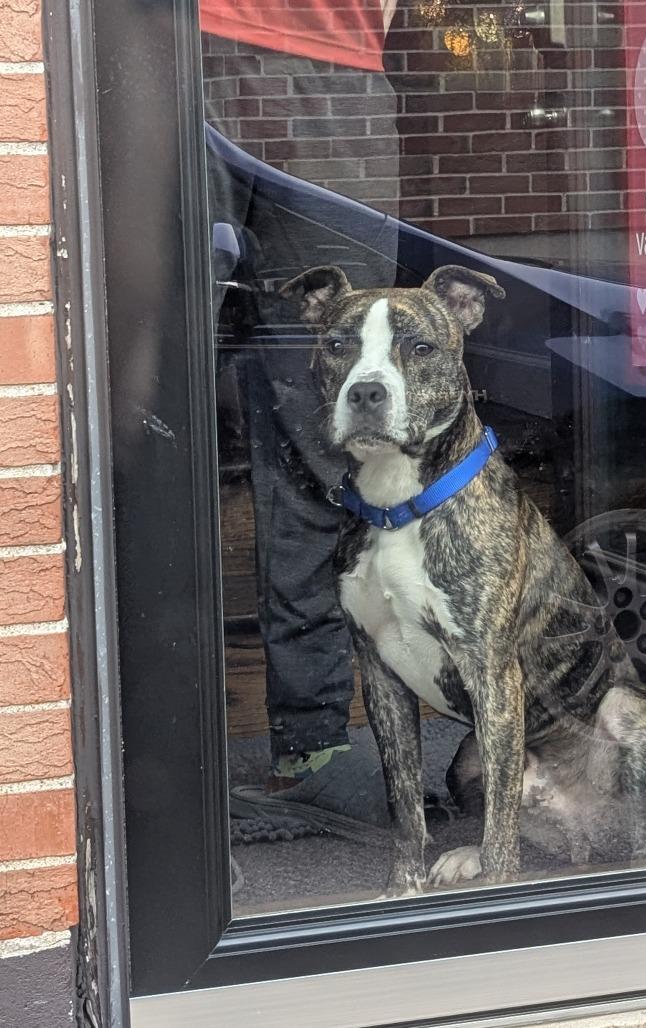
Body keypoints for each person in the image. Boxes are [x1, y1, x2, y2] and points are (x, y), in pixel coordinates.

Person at [199, 0, 400, 833]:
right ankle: (138, 758)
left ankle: (315, 748)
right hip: (179, 45)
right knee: (141, 398)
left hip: (331, 62)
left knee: (329, 428)